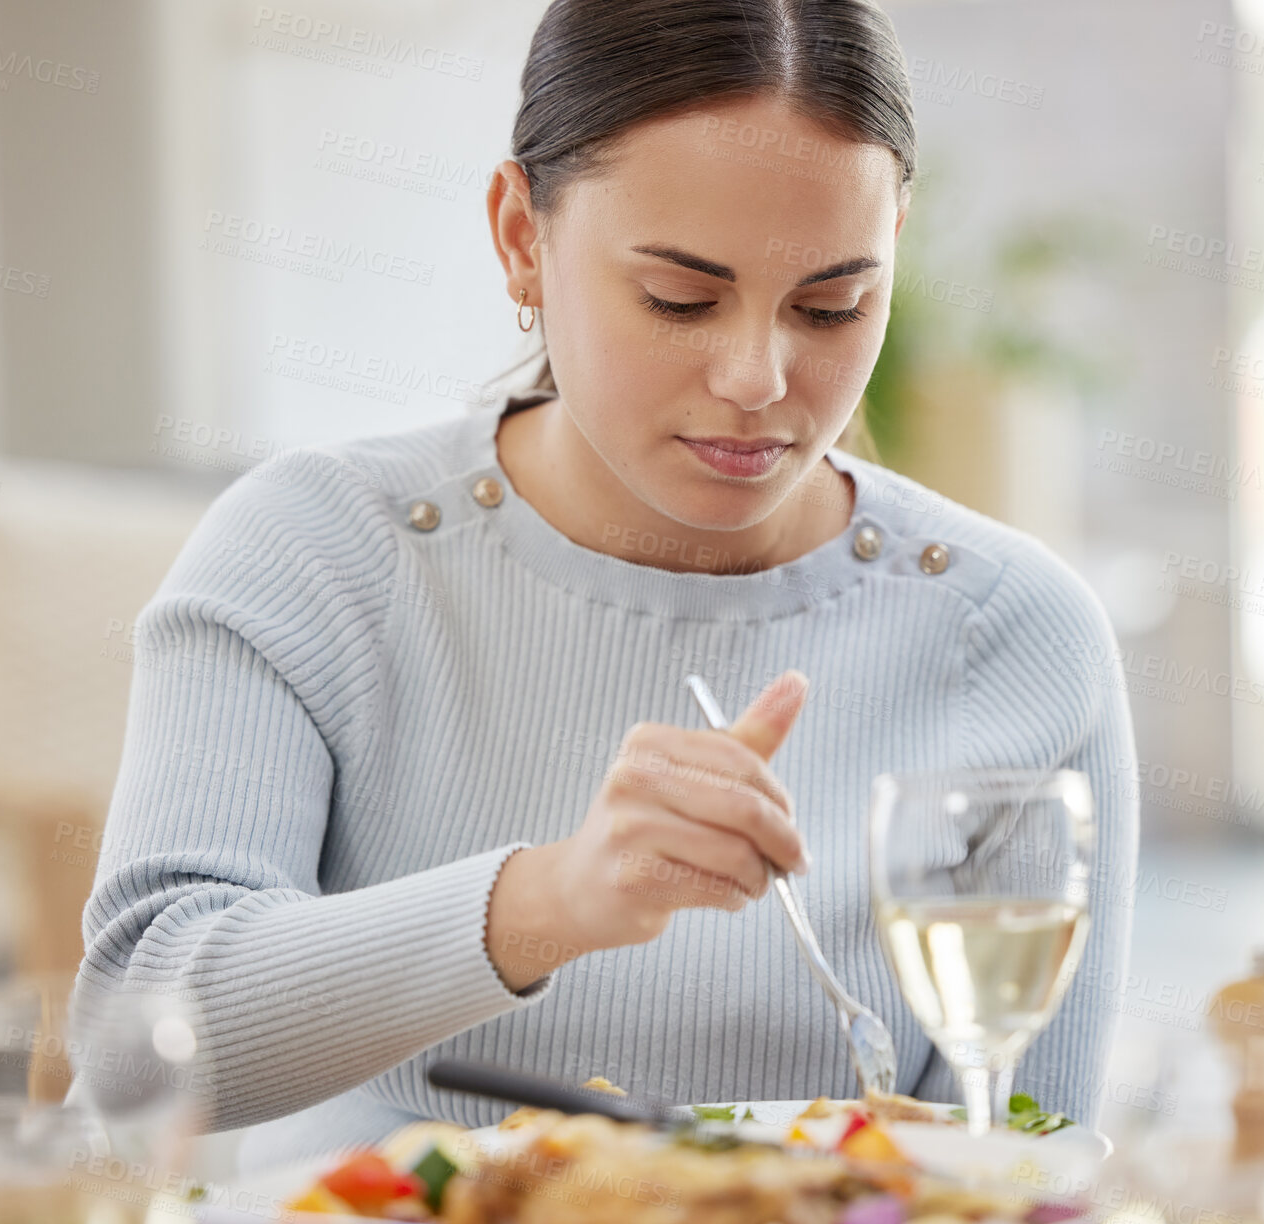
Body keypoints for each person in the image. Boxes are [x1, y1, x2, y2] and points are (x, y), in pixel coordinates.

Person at [78, 0, 1139, 1171]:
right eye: (678, 299)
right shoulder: (315, 552)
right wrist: (546, 903)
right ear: (519, 237)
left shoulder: (1014, 632)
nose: (756, 378)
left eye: (831, 305)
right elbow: (131, 1050)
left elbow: (1030, 1160)